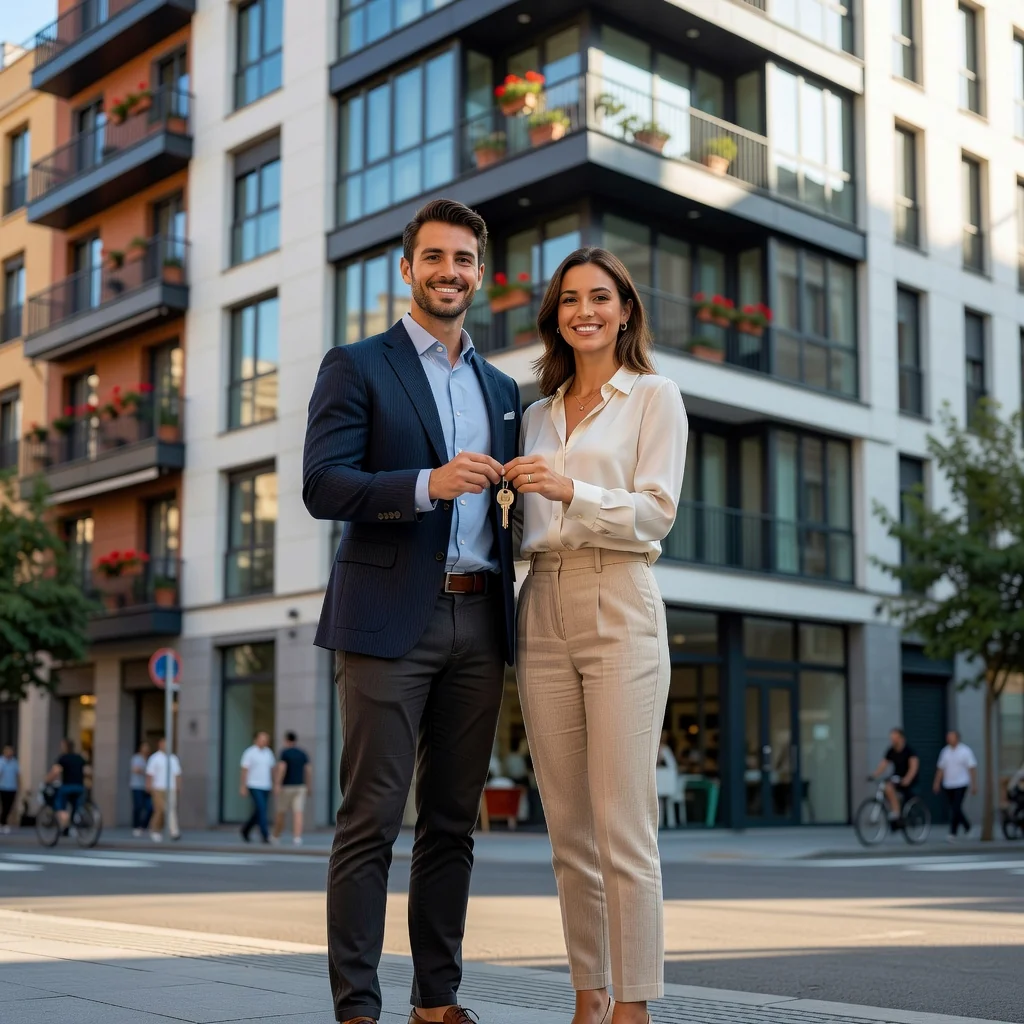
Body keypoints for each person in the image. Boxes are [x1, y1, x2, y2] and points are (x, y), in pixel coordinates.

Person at [303, 197, 521, 1024]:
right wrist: (427, 485)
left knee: (453, 825)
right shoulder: (358, 364)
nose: (449, 272)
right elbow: (323, 485)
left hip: (480, 621)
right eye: (434, 258)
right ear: (407, 269)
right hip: (389, 620)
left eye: (464, 259)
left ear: (479, 273)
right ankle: (357, 1007)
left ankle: (438, 1001)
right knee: (371, 821)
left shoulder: (503, 389)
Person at [507, 247, 687, 1024]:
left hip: (619, 598)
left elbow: (657, 513)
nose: (585, 310)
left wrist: (570, 487)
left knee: (622, 825)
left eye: (601, 297)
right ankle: (588, 995)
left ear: (624, 310)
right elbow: (527, 530)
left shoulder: (654, 396)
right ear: (556, 314)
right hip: (539, 603)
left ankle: (634, 1006)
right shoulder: (537, 414)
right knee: (568, 830)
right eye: (571, 298)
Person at [933, 730, 977, 841]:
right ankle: (967, 827)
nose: (949, 739)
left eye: (951, 737)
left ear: (957, 738)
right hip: (948, 784)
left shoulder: (965, 751)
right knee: (955, 808)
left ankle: (953, 832)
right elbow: (941, 769)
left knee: (956, 807)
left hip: (961, 783)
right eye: (948, 737)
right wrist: (937, 782)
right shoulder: (945, 752)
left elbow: (971, 768)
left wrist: (974, 784)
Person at [871, 727, 920, 820]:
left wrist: (908, 779)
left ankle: (896, 812)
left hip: (909, 779)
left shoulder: (909, 751)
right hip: (897, 777)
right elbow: (883, 764)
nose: (892, 740)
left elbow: (913, 767)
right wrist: (874, 775)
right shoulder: (891, 750)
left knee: (891, 788)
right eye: (891, 738)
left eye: (895, 737)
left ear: (901, 738)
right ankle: (895, 809)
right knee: (886, 787)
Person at [273, 731, 311, 845]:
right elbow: (308, 770)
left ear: (286, 740)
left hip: (287, 787)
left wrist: (277, 784)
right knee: (298, 812)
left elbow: (282, 768)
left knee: (281, 812)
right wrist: (309, 786)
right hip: (300, 786)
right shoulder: (302, 753)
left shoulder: (285, 753)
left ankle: (276, 836)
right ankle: (297, 837)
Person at [240, 731, 276, 844]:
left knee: (259, 811)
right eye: (262, 739)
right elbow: (244, 770)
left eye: (266, 739)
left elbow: (272, 769)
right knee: (261, 808)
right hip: (254, 785)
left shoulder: (268, 753)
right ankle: (265, 835)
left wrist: (274, 783)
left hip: (266, 785)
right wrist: (243, 785)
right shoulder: (250, 752)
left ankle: (245, 830)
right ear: (256, 740)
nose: (264, 741)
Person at [45, 738, 87, 833]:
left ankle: (65, 826)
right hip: (80, 787)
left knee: (60, 806)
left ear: (64, 747)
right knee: (77, 805)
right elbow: (86, 771)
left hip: (67, 786)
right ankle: (77, 820)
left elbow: (55, 771)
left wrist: (47, 780)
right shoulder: (80, 758)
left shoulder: (63, 758)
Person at [145, 736, 181, 842]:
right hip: (158, 788)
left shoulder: (173, 758)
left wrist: (178, 786)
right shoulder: (155, 758)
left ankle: (174, 832)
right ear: (160, 745)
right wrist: (148, 785)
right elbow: (150, 774)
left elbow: (178, 774)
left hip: (171, 788)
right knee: (160, 809)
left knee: (171, 810)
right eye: (164, 743)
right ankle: (155, 830)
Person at [130, 741, 152, 837]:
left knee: (149, 807)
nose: (146, 749)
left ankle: (143, 826)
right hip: (137, 786)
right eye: (144, 747)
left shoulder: (149, 759)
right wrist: (146, 771)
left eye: (147, 747)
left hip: (147, 786)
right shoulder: (136, 758)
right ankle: (136, 826)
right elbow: (135, 769)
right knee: (138, 806)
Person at [0, 745, 20, 834]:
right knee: (4, 805)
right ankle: (3, 822)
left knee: (9, 806)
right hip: (3, 787)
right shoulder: (1, 761)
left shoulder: (14, 762)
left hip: (12, 787)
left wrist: (19, 786)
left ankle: (3, 821)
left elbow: (18, 775)